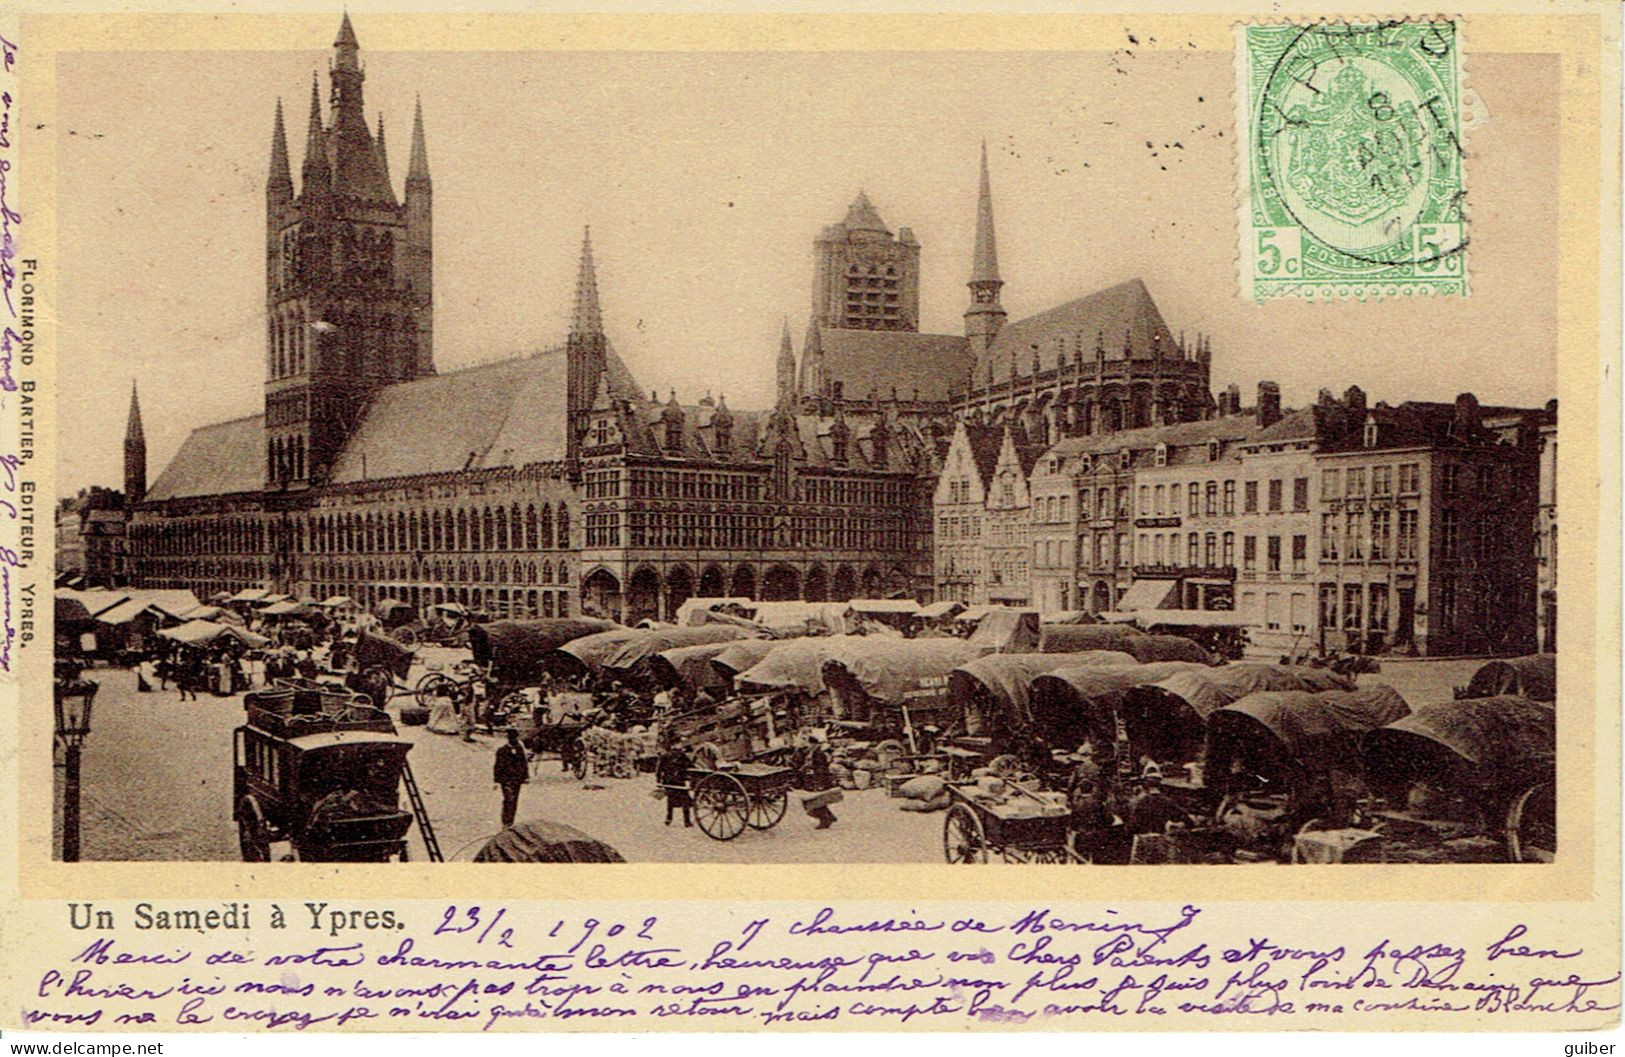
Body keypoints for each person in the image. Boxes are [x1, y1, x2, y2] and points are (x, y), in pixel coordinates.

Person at [1126, 771, 1190, 836]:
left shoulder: (1141, 803)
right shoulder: (1168, 801)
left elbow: (1133, 826)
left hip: (1145, 839)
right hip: (1163, 839)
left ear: (1145, 787)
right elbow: (1187, 820)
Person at [492, 729, 530, 829]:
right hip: (506, 780)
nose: (515, 740)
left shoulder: (519, 748)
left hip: (517, 779)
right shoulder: (502, 750)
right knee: (509, 799)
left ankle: (510, 821)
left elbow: (523, 763)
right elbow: (498, 766)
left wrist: (526, 776)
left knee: (514, 800)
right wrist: (496, 781)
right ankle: (506, 822)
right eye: (513, 738)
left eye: (516, 738)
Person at [654, 739, 694, 827]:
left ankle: (669, 819)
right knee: (684, 800)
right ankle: (686, 821)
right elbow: (691, 766)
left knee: (670, 801)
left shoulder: (665, 756)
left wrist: (659, 779)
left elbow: (659, 769)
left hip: (669, 781)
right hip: (679, 780)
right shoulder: (681, 755)